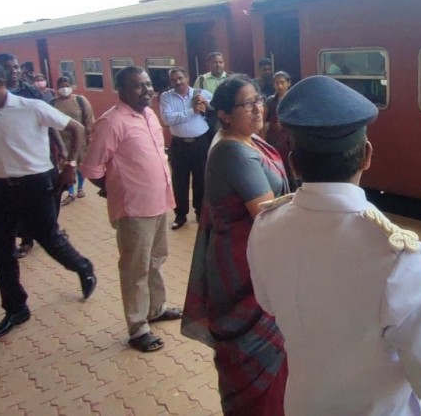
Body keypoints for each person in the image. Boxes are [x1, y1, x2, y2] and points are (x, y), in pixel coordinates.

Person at [247, 75, 421, 416]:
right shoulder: (395, 255)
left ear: (294, 162)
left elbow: (269, 303)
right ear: (367, 155)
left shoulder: (265, 225)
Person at [0, 59, 96, 342]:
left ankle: (82, 267)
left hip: (36, 183)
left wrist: (70, 165)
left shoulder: (31, 107)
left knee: (49, 238)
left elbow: (77, 129)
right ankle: (15, 308)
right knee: (1, 249)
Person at [180, 74, 288, 415]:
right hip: (246, 268)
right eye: (247, 103)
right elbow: (266, 213)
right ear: (224, 114)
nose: (258, 108)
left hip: (247, 257)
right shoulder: (233, 152)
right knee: (256, 356)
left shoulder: (247, 141)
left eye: (259, 100)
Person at [81, 66, 181, 353]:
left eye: (148, 84)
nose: (146, 90)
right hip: (134, 209)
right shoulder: (111, 123)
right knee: (135, 268)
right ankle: (138, 328)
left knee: (157, 259)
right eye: (138, 86)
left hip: (160, 201)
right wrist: (114, 188)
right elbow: (91, 168)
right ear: (121, 90)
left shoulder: (149, 114)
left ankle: (156, 308)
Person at [0, 53, 59, 257]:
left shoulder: (30, 91)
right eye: (7, 68)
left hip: (39, 154)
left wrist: (60, 148)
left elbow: (49, 119)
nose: (13, 71)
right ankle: (26, 238)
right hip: (11, 158)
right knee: (19, 202)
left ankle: (49, 230)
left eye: (15, 67)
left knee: (51, 193)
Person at [159, 67, 211, 229]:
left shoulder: (202, 93)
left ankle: (200, 213)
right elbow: (167, 119)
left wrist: (207, 105)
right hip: (179, 145)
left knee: (200, 180)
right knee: (179, 181)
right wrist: (192, 111)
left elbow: (215, 112)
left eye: (180, 78)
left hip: (201, 143)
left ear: (187, 78)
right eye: (174, 80)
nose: (178, 82)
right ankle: (180, 215)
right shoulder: (166, 97)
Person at [51, 77, 94, 205]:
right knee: (67, 167)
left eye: (67, 85)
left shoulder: (80, 100)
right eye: (61, 86)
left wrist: (89, 137)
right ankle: (70, 192)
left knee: (80, 165)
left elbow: (88, 119)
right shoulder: (52, 103)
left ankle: (80, 188)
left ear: (71, 86)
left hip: (80, 141)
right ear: (57, 88)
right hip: (62, 142)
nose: (64, 88)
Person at [262, 71, 294, 189]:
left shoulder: (293, 99)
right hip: (274, 139)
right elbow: (263, 118)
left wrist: (284, 124)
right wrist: (263, 137)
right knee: (276, 165)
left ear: (288, 83)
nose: (279, 86)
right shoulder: (270, 101)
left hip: (289, 139)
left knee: (291, 166)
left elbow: (297, 117)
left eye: (282, 82)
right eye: (276, 83)